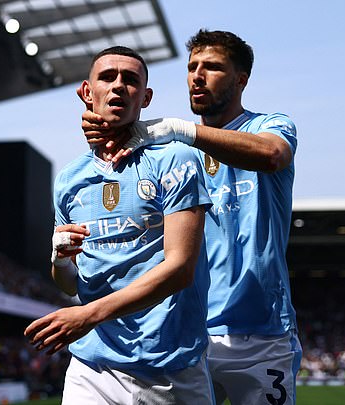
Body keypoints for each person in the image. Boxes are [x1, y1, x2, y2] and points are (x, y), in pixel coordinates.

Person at [78, 30, 302, 405]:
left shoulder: (269, 126)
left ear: (241, 78)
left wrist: (180, 130)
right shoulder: (171, 152)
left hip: (262, 333)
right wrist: (104, 125)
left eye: (212, 67)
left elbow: (272, 155)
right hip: (188, 333)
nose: (197, 76)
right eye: (192, 67)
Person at [24, 46, 214, 404]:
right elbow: (69, 285)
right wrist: (60, 260)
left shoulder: (176, 158)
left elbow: (180, 269)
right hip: (92, 368)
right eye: (107, 77)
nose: (118, 86)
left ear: (146, 97)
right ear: (86, 92)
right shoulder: (69, 178)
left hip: (169, 369)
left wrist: (87, 316)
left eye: (131, 80)